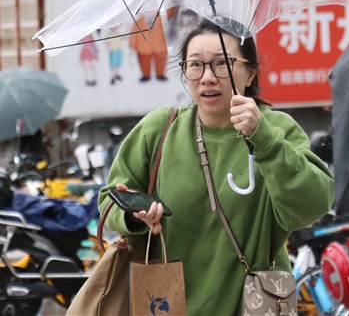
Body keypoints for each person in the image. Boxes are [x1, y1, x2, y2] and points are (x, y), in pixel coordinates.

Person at [100, 18, 335, 315]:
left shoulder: (277, 128)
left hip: (255, 304)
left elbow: (315, 203)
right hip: (171, 304)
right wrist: (133, 215)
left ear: (249, 73)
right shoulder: (159, 129)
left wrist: (263, 139)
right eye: (195, 65)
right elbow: (108, 202)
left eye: (222, 64)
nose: (207, 77)